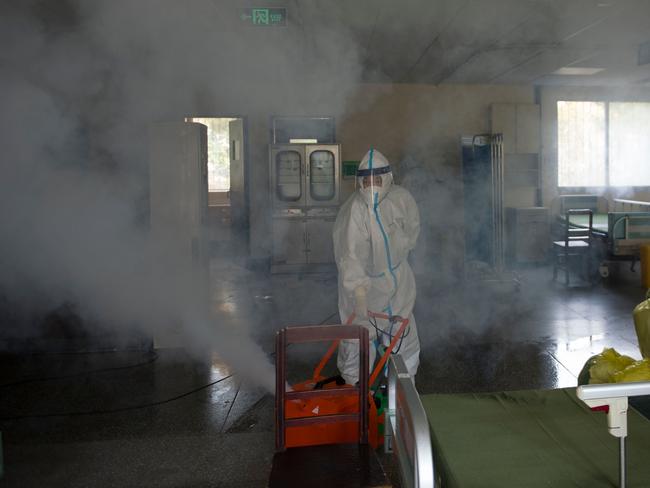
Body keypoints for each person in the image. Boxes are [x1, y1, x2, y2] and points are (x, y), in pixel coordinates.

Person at [333, 148, 421, 384]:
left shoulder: (401, 200)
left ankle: (404, 393)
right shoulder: (354, 211)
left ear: (388, 178)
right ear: (359, 181)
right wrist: (359, 292)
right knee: (358, 338)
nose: (372, 185)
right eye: (367, 180)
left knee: (403, 335)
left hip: (398, 280)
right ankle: (355, 392)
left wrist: (398, 252)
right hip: (364, 286)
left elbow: (412, 231)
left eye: (378, 179)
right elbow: (349, 255)